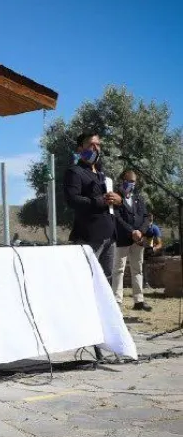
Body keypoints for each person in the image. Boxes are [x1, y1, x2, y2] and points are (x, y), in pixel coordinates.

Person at [63, 132, 121, 282]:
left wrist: (118, 200)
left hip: (109, 236)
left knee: (106, 281)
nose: (95, 148)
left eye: (98, 144)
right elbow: (72, 200)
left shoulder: (102, 175)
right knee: (87, 279)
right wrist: (100, 201)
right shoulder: (75, 172)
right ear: (79, 149)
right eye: (91, 144)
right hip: (89, 236)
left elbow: (110, 203)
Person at [114, 170, 153, 310]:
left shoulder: (138, 198)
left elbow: (146, 217)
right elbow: (117, 218)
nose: (131, 184)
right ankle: (117, 301)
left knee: (137, 270)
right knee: (119, 270)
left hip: (138, 240)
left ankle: (139, 301)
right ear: (122, 180)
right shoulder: (116, 197)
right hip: (122, 239)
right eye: (128, 181)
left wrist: (141, 231)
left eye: (133, 181)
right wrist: (132, 231)